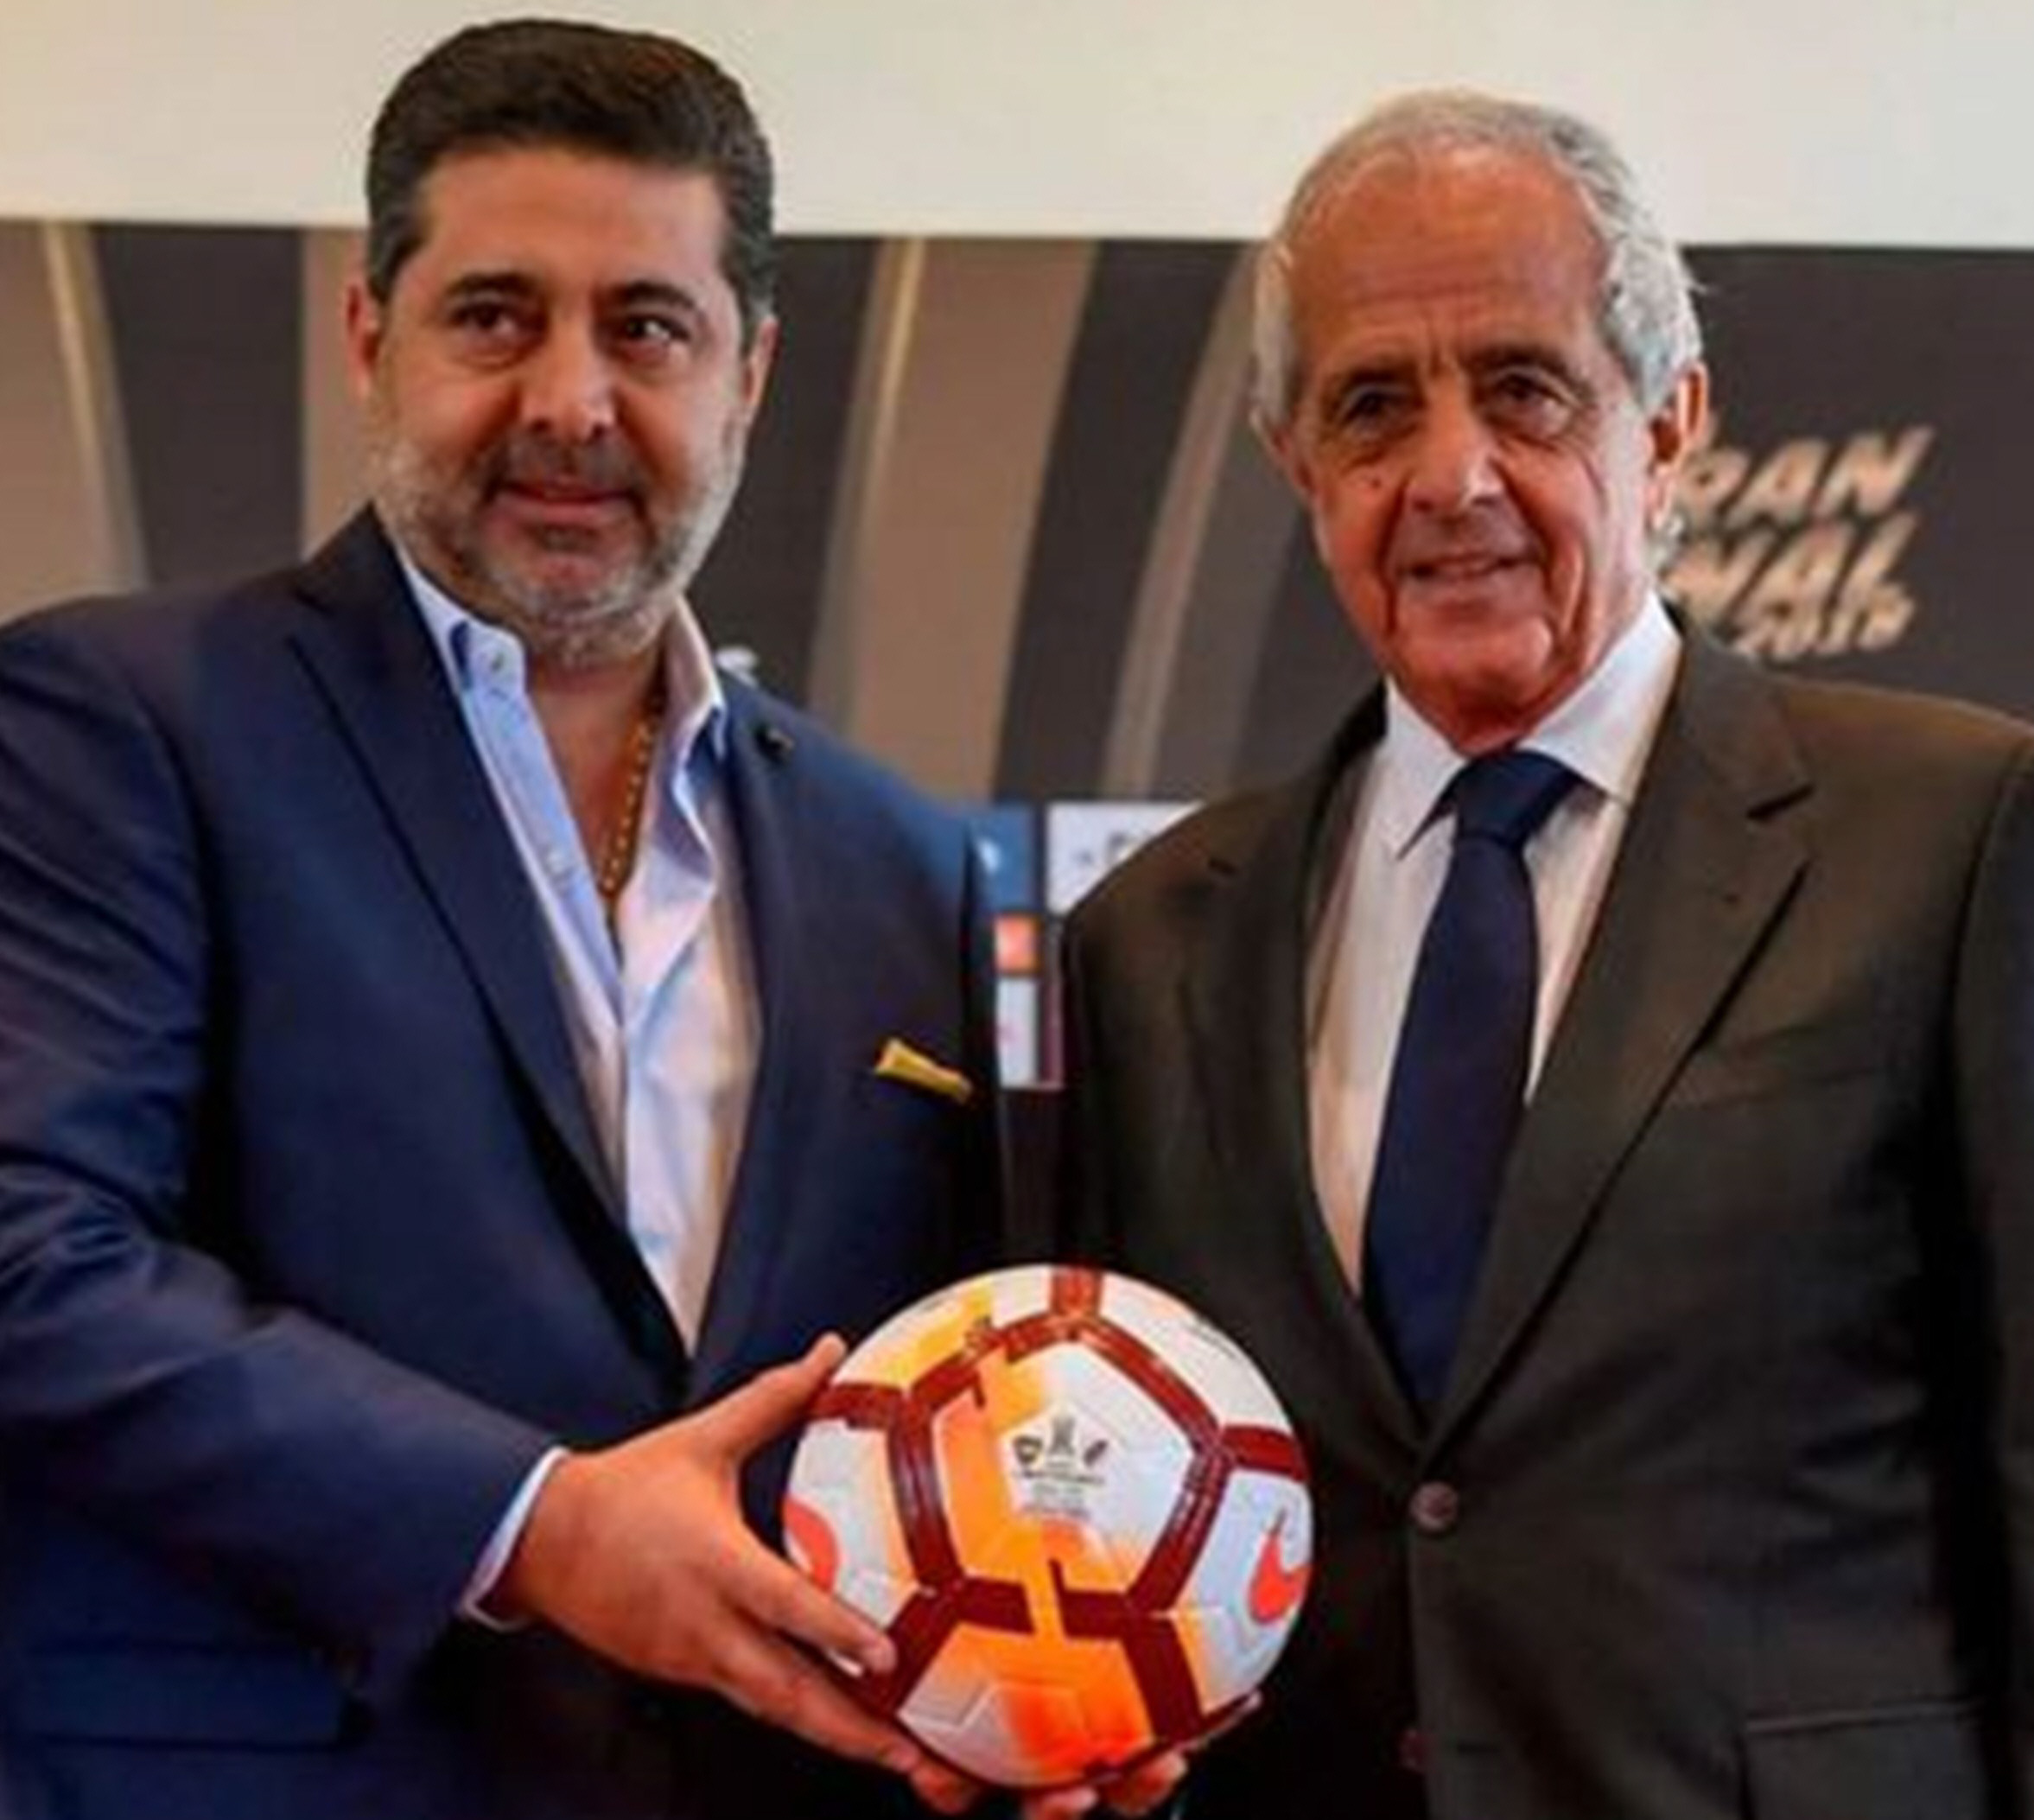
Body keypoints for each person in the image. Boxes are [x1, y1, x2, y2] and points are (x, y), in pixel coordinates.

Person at [0, 20, 1048, 1820]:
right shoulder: (123, 721)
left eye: (647, 328)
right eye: (495, 316)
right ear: (368, 337)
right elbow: (30, 1252)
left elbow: (943, 1400)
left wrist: (1075, 1667)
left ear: (749, 374)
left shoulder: (897, 859)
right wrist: (534, 1524)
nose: (571, 401)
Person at [1057, 88, 2034, 1820]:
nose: (1451, 478)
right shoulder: (1149, 939)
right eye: (1372, 405)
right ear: (1294, 462)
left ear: (1668, 422)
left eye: (1523, 387)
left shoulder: (1952, 833)